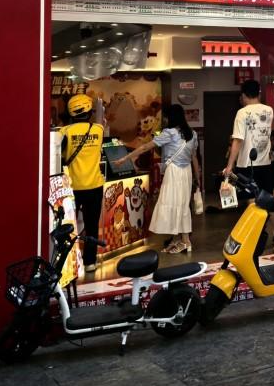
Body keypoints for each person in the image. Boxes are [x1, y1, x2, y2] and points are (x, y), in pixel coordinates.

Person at [114, 104, 200, 254]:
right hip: (186, 172)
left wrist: (124, 159)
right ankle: (180, 240)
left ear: (171, 118)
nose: (165, 120)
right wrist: (197, 178)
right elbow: (194, 158)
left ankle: (185, 241)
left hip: (173, 171)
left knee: (173, 204)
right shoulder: (192, 134)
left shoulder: (169, 133)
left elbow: (145, 147)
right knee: (182, 205)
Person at [222, 80, 274, 232]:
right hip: (265, 163)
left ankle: (256, 234)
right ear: (259, 93)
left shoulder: (242, 113)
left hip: (247, 164)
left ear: (244, 95)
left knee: (252, 201)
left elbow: (238, 140)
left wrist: (229, 166)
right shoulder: (269, 110)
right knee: (268, 198)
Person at [59, 94, 105, 273]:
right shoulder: (98, 130)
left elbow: (61, 156)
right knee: (91, 226)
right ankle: (90, 262)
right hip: (94, 186)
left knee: (67, 226)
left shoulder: (64, 132)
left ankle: (67, 265)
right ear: (89, 111)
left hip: (71, 188)